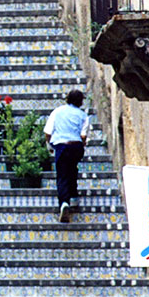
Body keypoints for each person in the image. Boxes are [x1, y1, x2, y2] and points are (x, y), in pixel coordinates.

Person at [43, 89, 89, 221]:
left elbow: (47, 132)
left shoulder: (57, 111)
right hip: (76, 145)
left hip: (61, 145)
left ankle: (64, 202)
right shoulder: (83, 115)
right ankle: (73, 196)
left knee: (62, 174)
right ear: (80, 101)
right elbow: (83, 136)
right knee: (72, 168)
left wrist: (50, 146)